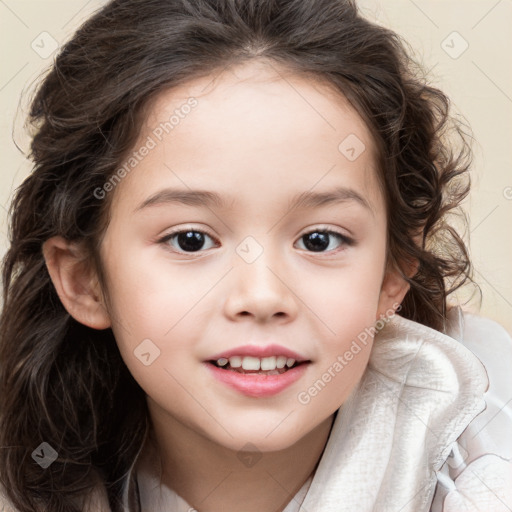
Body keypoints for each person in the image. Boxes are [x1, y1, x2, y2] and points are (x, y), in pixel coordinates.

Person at [0, 0, 511, 511]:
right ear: (85, 279)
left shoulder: (488, 455)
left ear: (392, 273)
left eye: (320, 239)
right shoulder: (32, 476)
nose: (262, 296)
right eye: (191, 240)